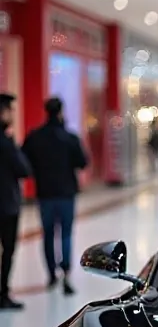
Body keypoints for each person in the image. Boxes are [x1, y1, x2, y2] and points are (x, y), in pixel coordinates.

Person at [22, 96, 88, 294]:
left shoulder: (35, 137)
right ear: (61, 112)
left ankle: (51, 274)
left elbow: (24, 160)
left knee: (48, 234)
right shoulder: (70, 137)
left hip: (45, 193)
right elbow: (83, 162)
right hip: (66, 193)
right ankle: (66, 273)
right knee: (66, 233)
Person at [0, 93, 31, 310]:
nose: (11, 114)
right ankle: (3, 294)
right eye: (9, 110)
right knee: (7, 250)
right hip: (6, 206)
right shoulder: (5, 142)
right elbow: (23, 169)